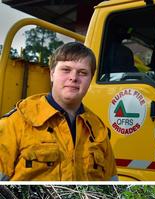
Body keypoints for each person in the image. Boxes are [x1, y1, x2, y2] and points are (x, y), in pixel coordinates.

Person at [0, 42, 117, 181]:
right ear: (52, 74)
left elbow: (112, 181)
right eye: (66, 70)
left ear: (90, 80)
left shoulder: (99, 131)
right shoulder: (17, 122)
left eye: (82, 72)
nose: (73, 78)